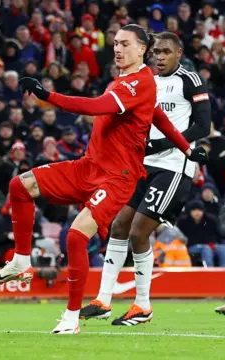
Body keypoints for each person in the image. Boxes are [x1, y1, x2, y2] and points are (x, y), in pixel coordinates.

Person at [0, 24, 207, 334]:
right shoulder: (130, 81)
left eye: (125, 44)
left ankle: (72, 317)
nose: (117, 49)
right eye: (115, 43)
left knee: (77, 236)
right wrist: (188, 149)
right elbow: (160, 118)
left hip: (117, 178)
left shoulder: (137, 83)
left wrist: (47, 95)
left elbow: (94, 106)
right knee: (20, 185)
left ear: (142, 49)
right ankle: (22, 261)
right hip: (89, 167)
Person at [80, 32, 212, 326]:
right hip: (141, 166)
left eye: (166, 52)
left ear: (178, 53)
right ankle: (103, 298)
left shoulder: (191, 81)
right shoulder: (145, 81)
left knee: (140, 231)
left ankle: (143, 305)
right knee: (119, 224)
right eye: (157, 53)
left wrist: (162, 144)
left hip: (174, 167)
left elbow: (203, 126)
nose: (160, 57)